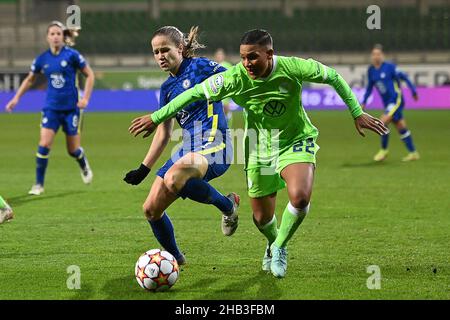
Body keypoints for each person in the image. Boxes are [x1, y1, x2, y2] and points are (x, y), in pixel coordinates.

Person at [128, 29, 389, 278]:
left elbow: (329, 76)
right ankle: (191, 255)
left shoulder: (279, 67)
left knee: (298, 197)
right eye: (155, 52)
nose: (247, 63)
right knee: (255, 217)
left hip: (255, 142)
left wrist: (357, 112)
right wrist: (146, 158)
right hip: (247, 147)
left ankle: (262, 234)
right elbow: (181, 111)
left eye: (165, 49)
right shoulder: (188, 86)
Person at [124, 26, 239, 265]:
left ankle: (228, 206)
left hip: (216, 142)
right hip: (188, 147)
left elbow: (233, 73)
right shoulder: (166, 89)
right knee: (150, 210)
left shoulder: (200, 67)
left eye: (165, 50)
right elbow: (164, 133)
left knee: (175, 178)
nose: (160, 56)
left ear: (180, 48)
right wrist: (144, 168)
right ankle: (176, 260)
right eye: (156, 52)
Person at [4, 21, 95, 195]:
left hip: (71, 109)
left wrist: (86, 98)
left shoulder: (72, 55)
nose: (55, 37)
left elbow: (89, 74)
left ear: (63, 37)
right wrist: (16, 98)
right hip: (51, 108)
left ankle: (82, 162)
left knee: (73, 150)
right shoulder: (42, 59)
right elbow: (30, 79)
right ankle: (39, 184)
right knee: (44, 143)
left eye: (58, 34)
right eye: (52, 34)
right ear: (47, 37)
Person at [361, 44, 419, 162]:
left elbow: (404, 77)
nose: (376, 56)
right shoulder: (371, 70)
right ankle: (413, 153)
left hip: (396, 100)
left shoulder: (390, 67)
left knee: (382, 122)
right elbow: (369, 88)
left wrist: (413, 91)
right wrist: (364, 102)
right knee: (400, 126)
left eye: (378, 54)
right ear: (371, 56)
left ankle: (383, 151)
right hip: (387, 103)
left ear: (382, 55)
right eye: (374, 54)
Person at [213, 48, 234, 126]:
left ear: (223, 56)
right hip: (217, 92)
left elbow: (232, 76)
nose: (219, 56)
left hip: (225, 90)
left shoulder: (227, 65)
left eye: (220, 54)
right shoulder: (213, 66)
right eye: (218, 55)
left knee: (225, 107)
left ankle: (228, 121)